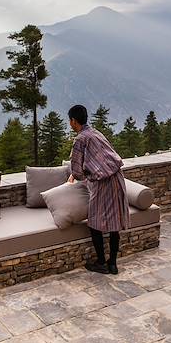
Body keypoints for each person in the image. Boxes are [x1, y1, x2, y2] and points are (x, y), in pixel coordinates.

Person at [67, 105, 130, 275]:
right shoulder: (96, 133)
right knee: (114, 222)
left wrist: (77, 177)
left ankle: (101, 261)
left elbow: (77, 170)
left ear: (73, 121)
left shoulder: (80, 139)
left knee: (94, 222)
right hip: (117, 178)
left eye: (70, 121)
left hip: (102, 183)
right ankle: (113, 264)